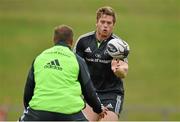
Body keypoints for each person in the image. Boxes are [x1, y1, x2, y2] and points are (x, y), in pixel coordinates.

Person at [19, 25, 108, 121]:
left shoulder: (40, 58)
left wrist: (30, 110)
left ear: (54, 39)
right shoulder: (77, 60)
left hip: (39, 112)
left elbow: (28, 90)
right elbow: (88, 91)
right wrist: (98, 108)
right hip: (70, 114)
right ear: (71, 42)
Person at [74, 6, 129, 121]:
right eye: (102, 22)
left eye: (109, 23)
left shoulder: (118, 45)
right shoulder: (83, 41)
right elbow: (74, 67)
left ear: (113, 25)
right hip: (91, 94)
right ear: (97, 23)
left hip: (112, 94)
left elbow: (123, 72)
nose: (105, 25)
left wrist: (117, 70)